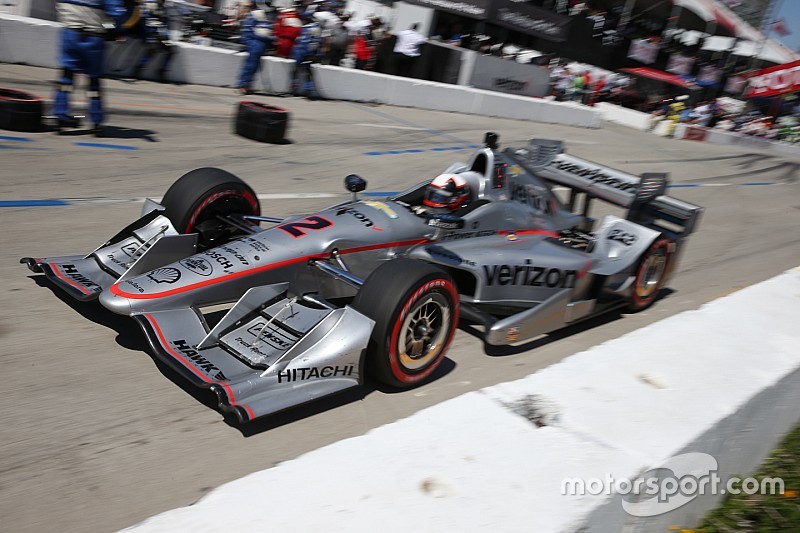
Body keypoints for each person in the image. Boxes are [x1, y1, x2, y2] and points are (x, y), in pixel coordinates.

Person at [53, 0, 127, 136]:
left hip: (70, 33)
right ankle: (96, 122)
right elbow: (118, 12)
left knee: (66, 77)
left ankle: (60, 116)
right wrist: (117, 29)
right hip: (94, 37)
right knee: (94, 81)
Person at [236, 1, 274, 95]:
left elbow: (268, 31)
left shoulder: (268, 16)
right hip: (255, 44)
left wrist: (270, 39)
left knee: (255, 67)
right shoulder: (255, 14)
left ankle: (248, 85)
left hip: (262, 44)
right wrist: (249, 42)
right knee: (250, 66)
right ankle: (243, 85)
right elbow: (248, 30)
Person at [133, 0, 174, 82]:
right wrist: (152, 33)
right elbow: (145, 19)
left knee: (170, 51)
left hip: (159, 35)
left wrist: (166, 36)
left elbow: (166, 22)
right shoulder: (150, 4)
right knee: (152, 49)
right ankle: (139, 69)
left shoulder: (164, 7)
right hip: (148, 33)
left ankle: (161, 71)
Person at [290, 12, 323, 98]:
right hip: (308, 52)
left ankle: (294, 88)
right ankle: (307, 89)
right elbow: (318, 42)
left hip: (303, 53)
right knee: (307, 72)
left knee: (296, 70)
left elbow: (303, 41)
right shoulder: (316, 28)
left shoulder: (308, 28)